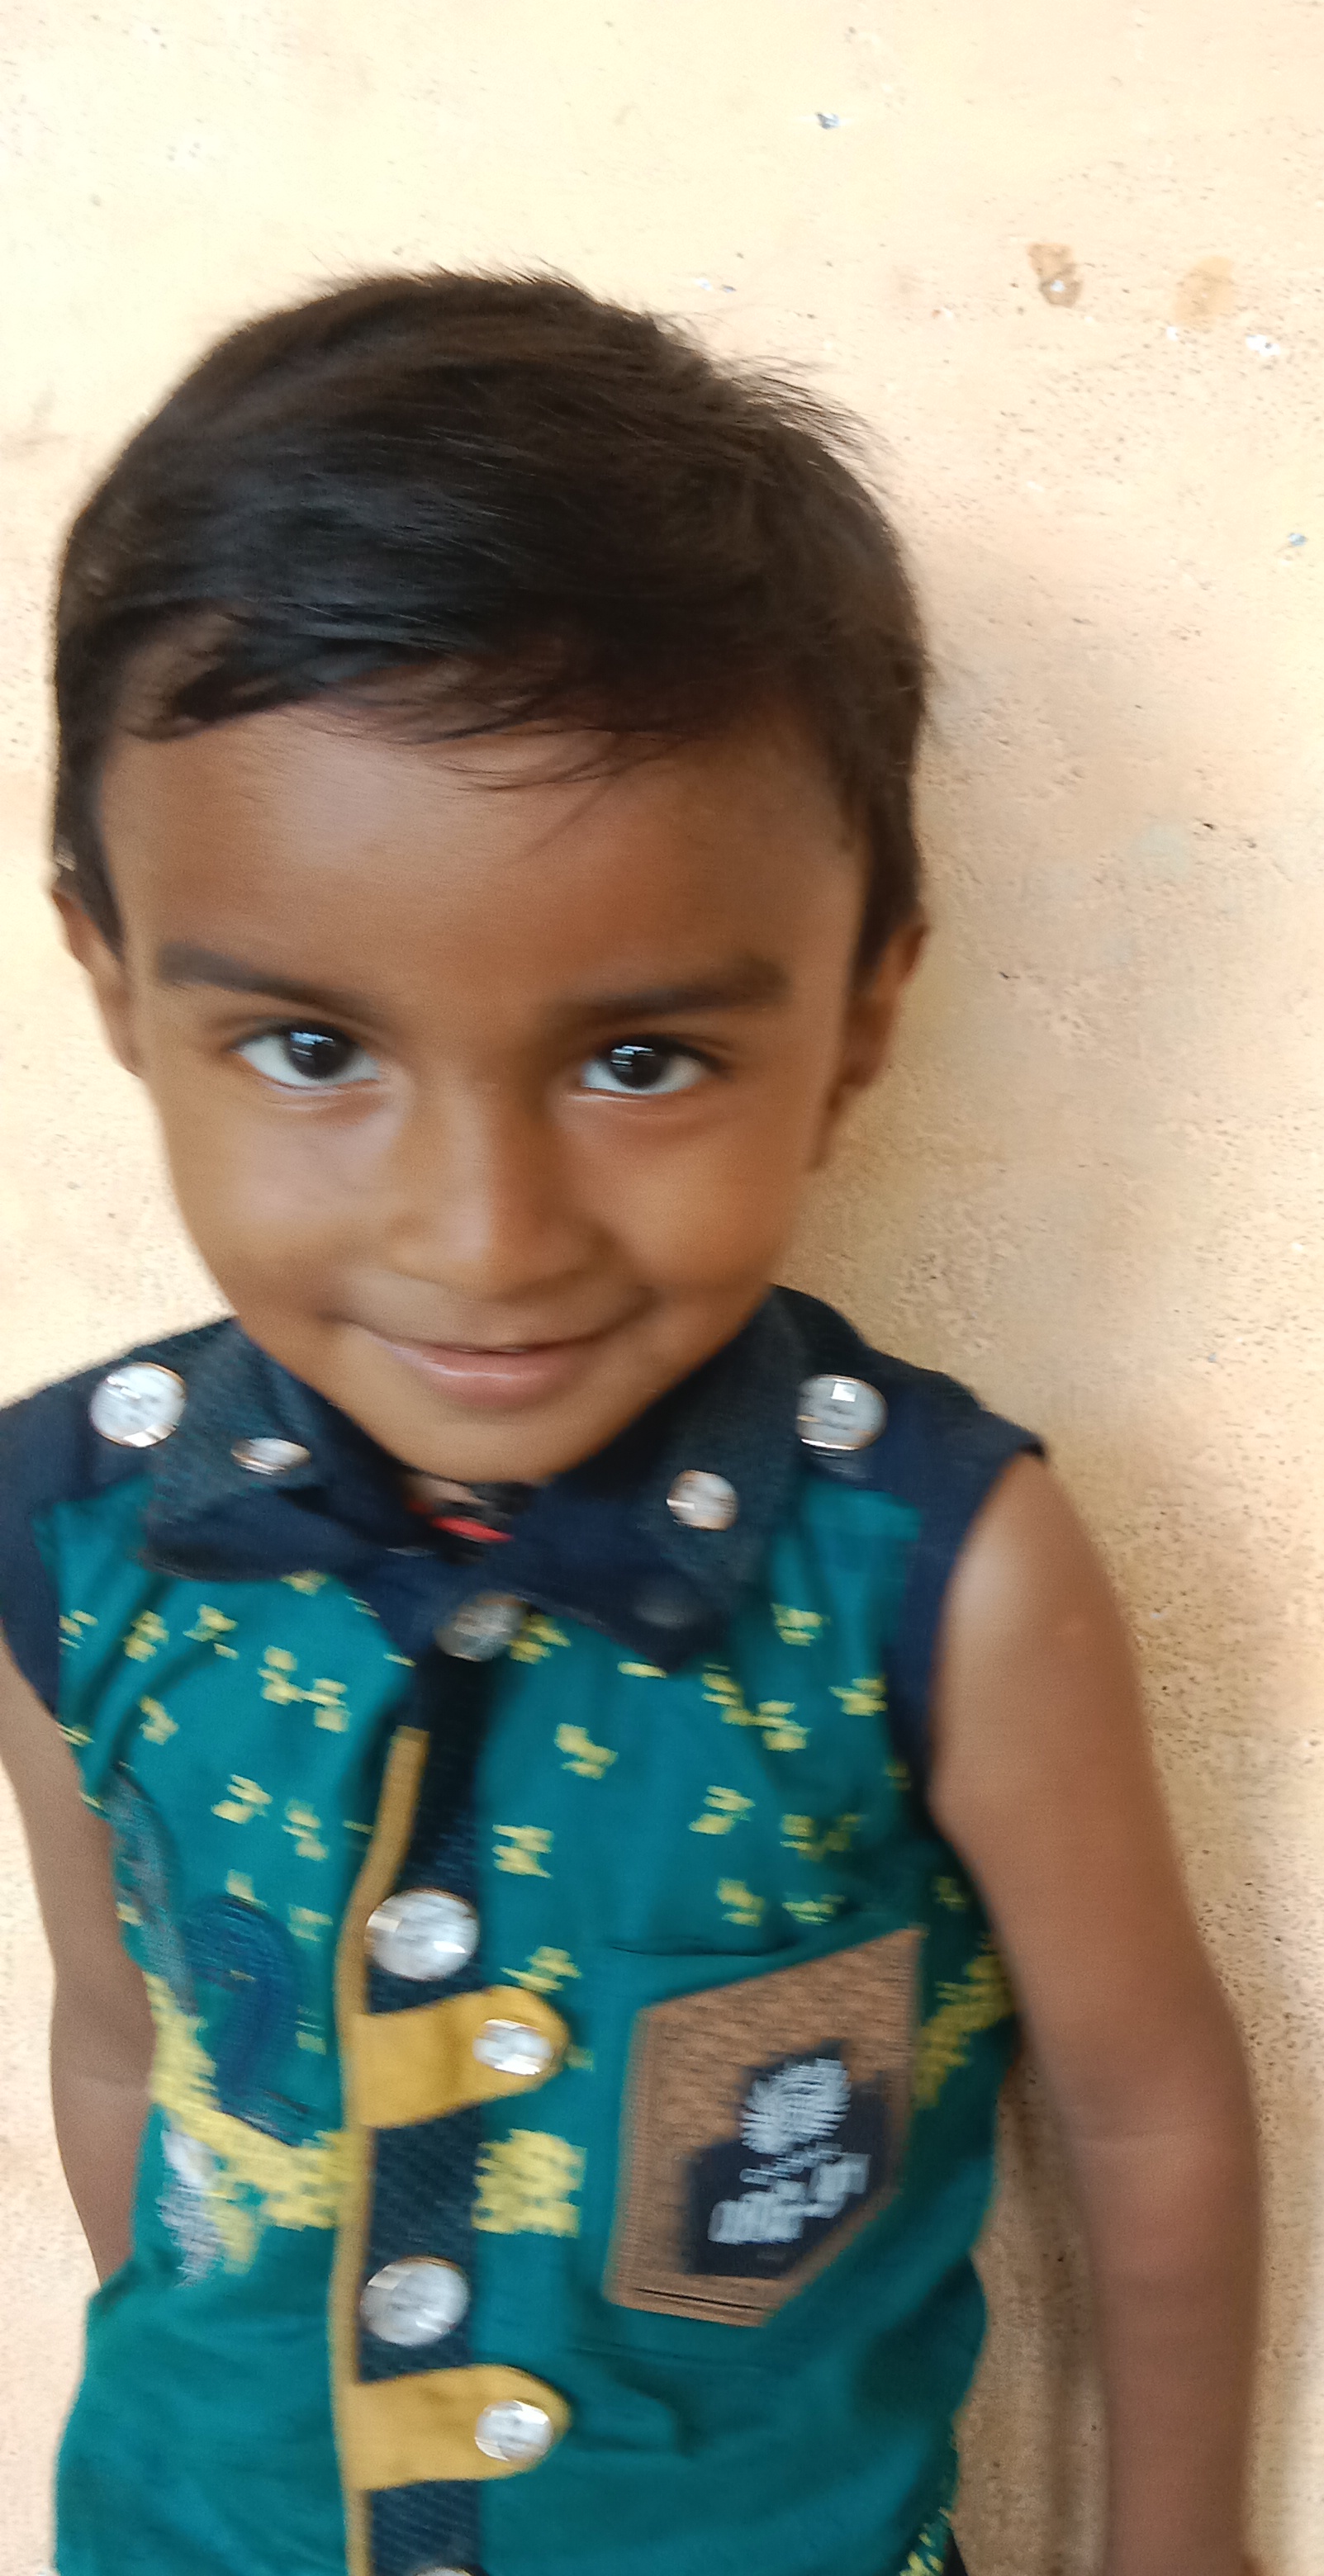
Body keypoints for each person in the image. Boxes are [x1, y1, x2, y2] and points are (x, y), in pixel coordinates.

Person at [0, 272, 1260, 2576]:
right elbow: (119, 2037)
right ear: (114, 978)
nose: (487, 1239)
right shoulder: (61, 1537)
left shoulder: (938, 1574)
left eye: (638, 1059)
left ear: (860, 1011)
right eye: (312, 1051)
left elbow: (1145, 2111)